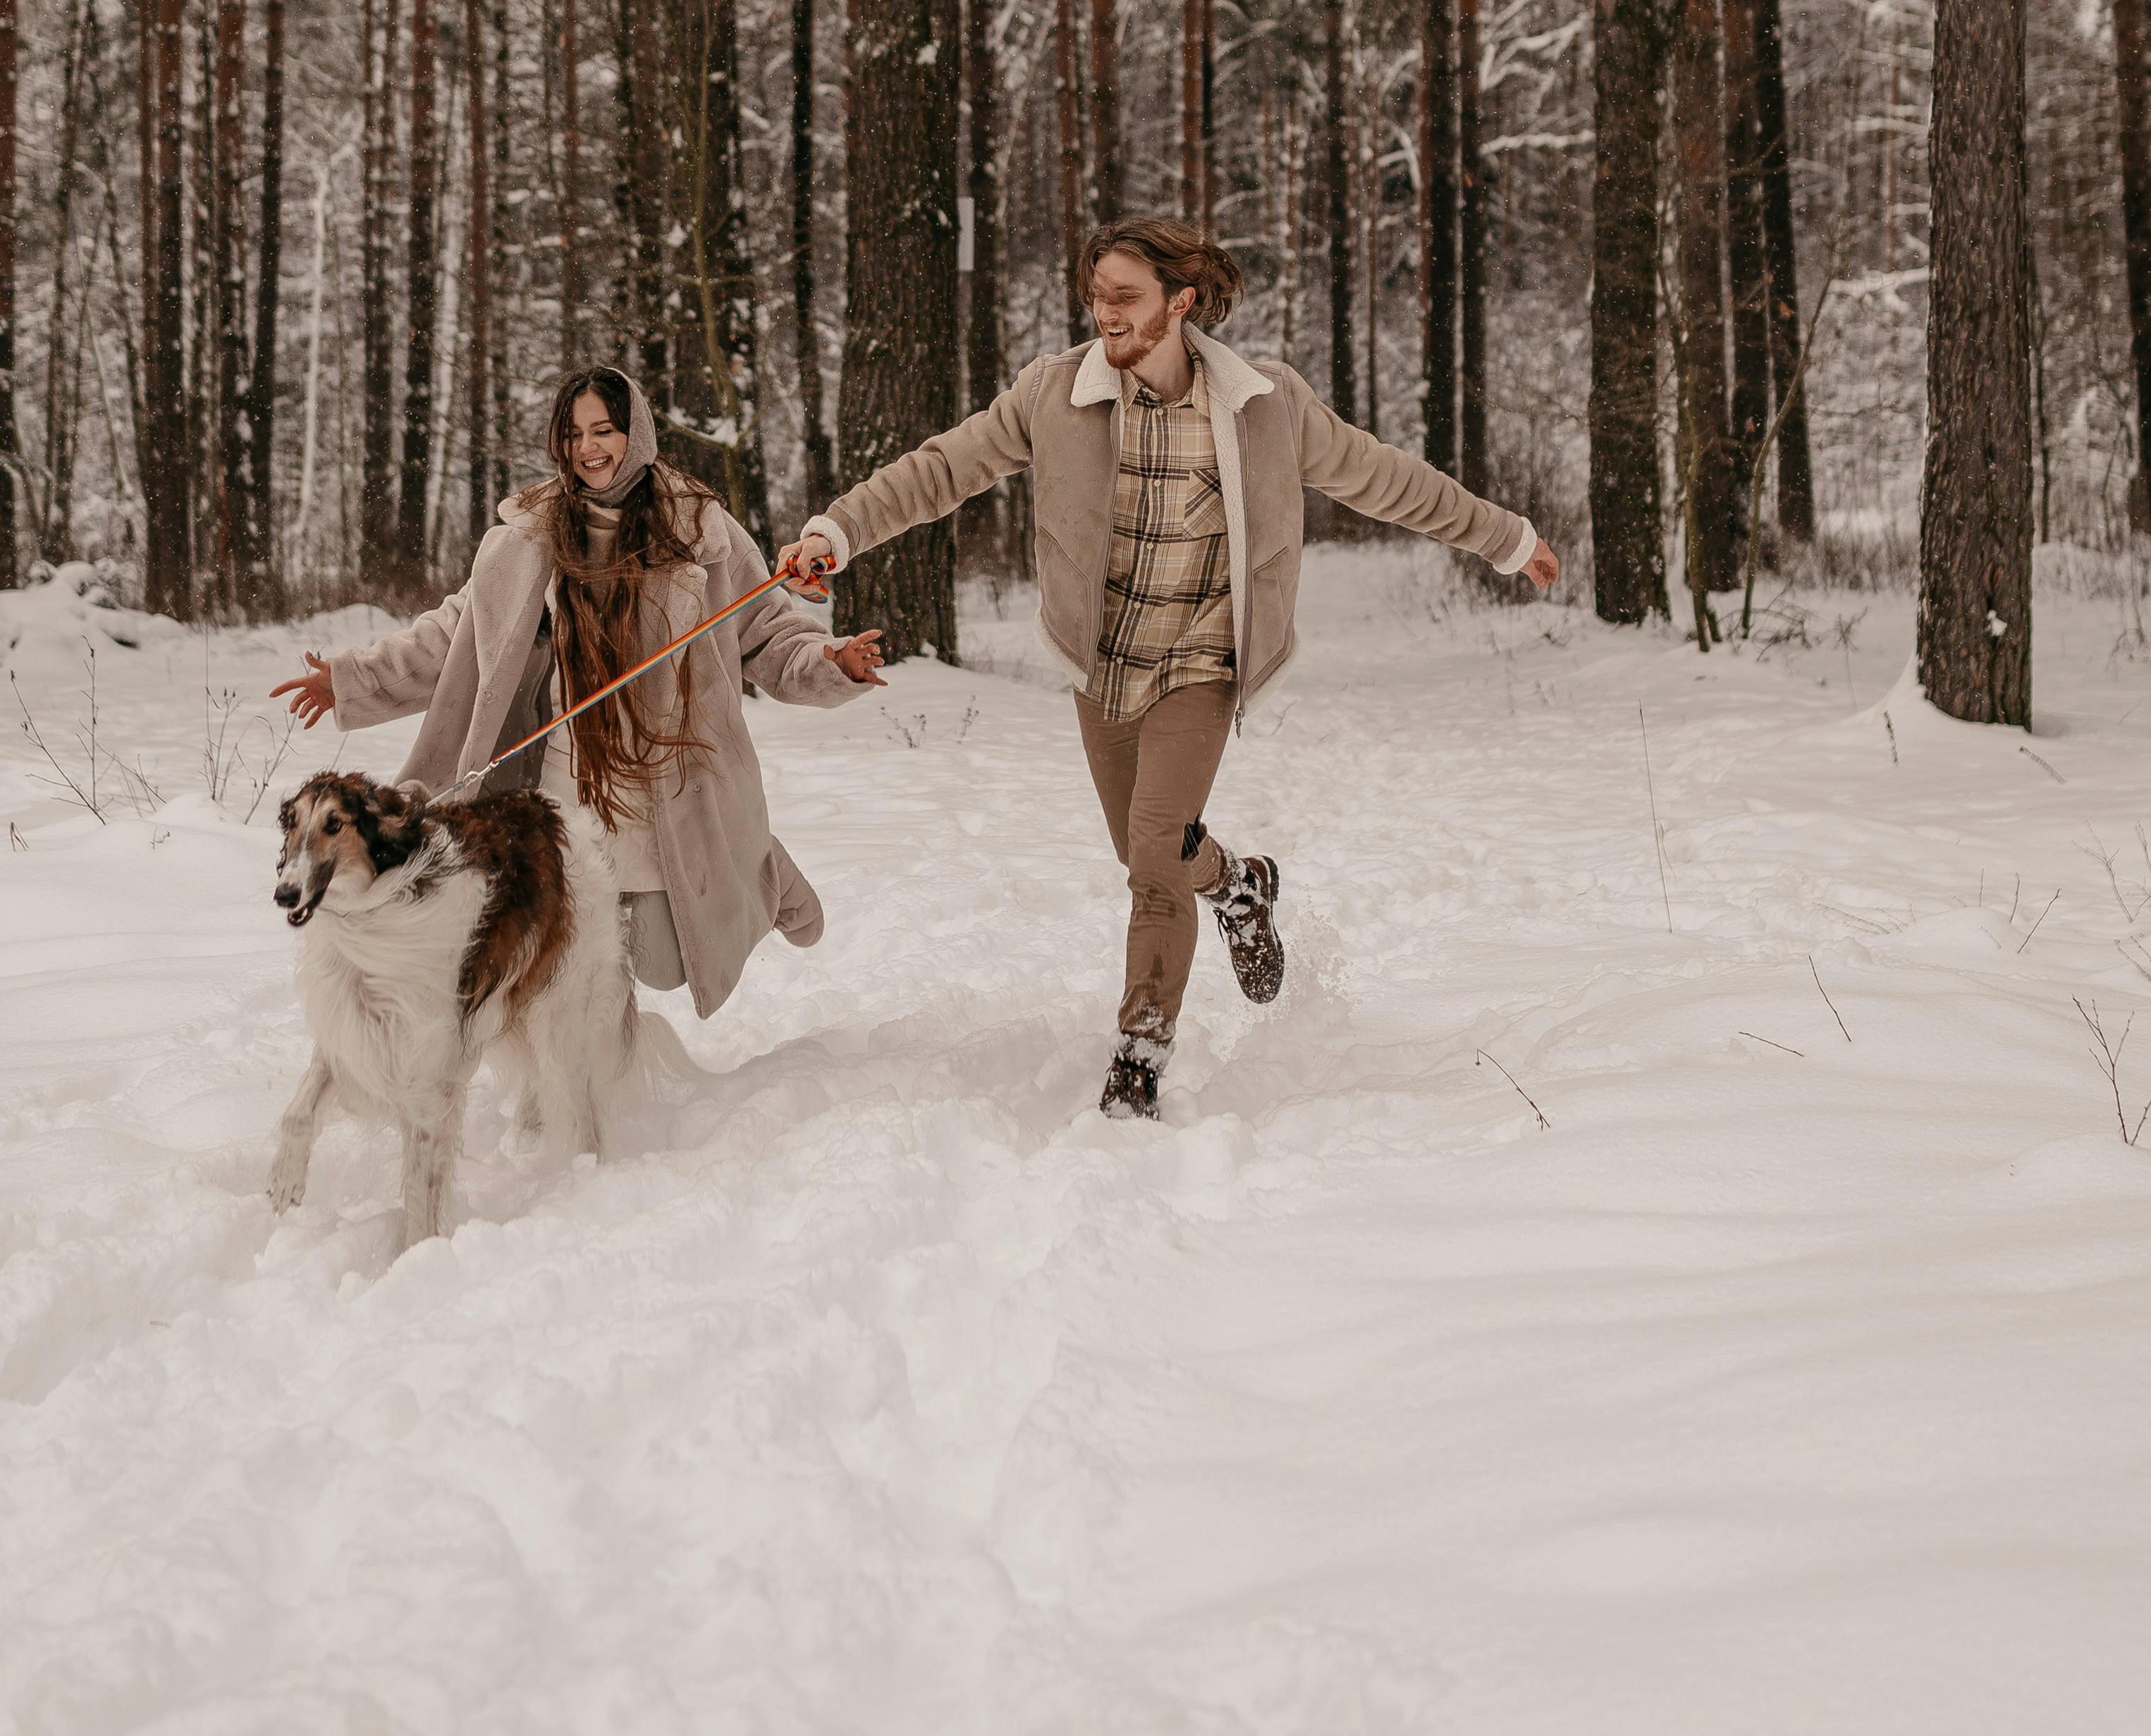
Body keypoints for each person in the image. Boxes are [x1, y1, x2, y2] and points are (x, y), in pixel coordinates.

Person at [787, 216, 1561, 1120]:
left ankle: (1139, 1060)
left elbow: (1385, 478)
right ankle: (1239, 882)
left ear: (1180, 301)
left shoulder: (1263, 404)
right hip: (1105, 659)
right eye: (1096, 296)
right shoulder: (1054, 394)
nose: (1103, 313)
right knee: (1147, 852)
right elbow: (940, 469)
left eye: (1124, 296)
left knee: (1155, 853)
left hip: (1203, 657)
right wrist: (835, 532)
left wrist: (1507, 538)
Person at [274, 366, 883, 1015]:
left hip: (668, 784)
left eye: (604, 430)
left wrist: (830, 660)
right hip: (563, 786)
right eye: (573, 434)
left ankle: (748, 852)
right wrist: (350, 679)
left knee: (662, 963)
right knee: (560, 959)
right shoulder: (526, 538)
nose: (589, 448)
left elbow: (764, 632)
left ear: (636, 434)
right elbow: (454, 635)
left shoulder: (699, 530)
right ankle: (594, 1065)